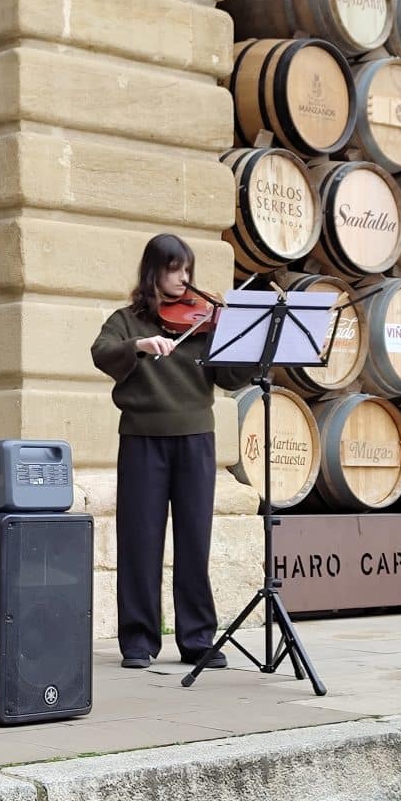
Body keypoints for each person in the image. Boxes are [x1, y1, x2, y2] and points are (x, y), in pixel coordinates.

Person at [90, 233, 255, 670]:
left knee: (194, 541)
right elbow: (102, 353)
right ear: (154, 271)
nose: (185, 278)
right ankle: (139, 641)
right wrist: (140, 346)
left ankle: (197, 639)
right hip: (143, 440)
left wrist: (246, 342)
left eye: (188, 269)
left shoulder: (204, 320)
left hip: (196, 440)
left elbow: (231, 379)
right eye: (175, 268)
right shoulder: (126, 321)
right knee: (139, 541)